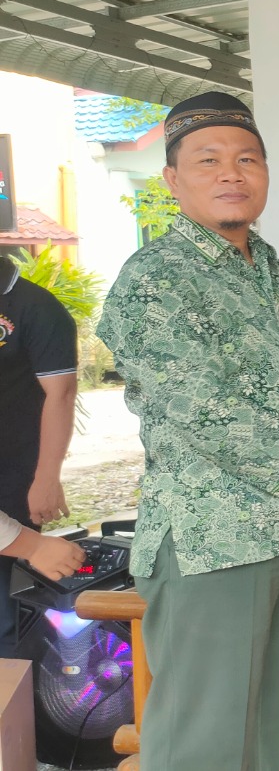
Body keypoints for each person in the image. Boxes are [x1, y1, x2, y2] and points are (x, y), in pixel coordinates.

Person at [97, 92, 279, 771]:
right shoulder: (154, 280)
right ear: (172, 179)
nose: (231, 174)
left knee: (275, 735)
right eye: (208, 160)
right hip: (214, 540)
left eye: (247, 159)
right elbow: (199, 405)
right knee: (203, 745)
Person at [0, 250, 76, 657]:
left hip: (13, 478)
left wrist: (46, 477)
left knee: (9, 616)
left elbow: (60, 394)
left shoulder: (35, 307)